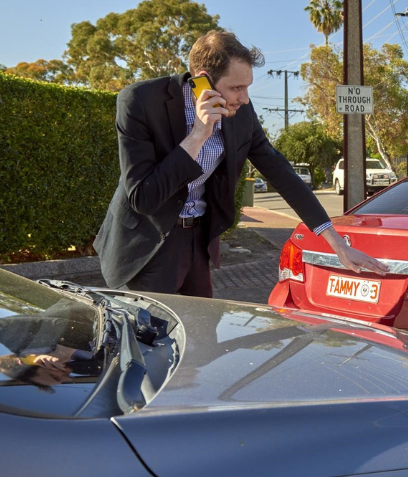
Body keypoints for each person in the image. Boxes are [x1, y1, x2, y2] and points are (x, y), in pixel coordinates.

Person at [95, 30, 387, 297]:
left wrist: (337, 244)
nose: (245, 99)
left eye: (247, 87)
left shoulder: (243, 114)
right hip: (148, 244)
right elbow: (143, 198)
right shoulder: (140, 101)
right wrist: (198, 135)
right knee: (150, 344)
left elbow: (281, 173)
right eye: (236, 88)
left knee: (200, 337)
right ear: (202, 80)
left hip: (199, 238)